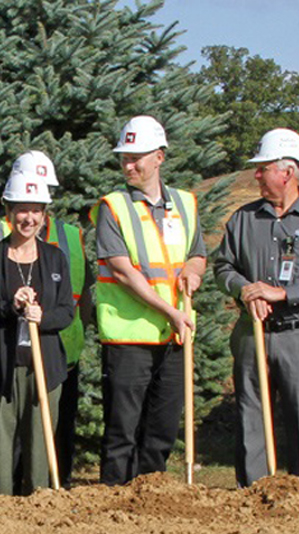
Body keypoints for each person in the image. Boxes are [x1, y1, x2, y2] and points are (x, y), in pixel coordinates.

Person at [213, 128, 299, 486]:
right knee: (251, 418)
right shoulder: (243, 219)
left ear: (286, 173)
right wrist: (245, 291)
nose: (256, 174)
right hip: (252, 333)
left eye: (263, 168)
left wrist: (283, 294)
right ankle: (253, 494)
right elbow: (223, 267)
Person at [93, 115, 206, 485]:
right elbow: (123, 272)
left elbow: (197, 252)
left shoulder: (186, 204)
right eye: (124, 158)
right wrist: (172, 311)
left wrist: (194, 269)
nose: (128, 165)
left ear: (159, 157)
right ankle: (113, 498)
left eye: (136, 157)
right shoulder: (113, 207)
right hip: (128, 336)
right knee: (122, 430)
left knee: (161, 428)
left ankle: (151, 496)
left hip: (172, 337)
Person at [0, 151, 92, 486]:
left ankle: (38, 523)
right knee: (1, 457)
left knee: (40, 457)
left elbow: (67, 310)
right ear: (9, 212)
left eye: (36, 210)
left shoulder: (54, 259)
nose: (29, 218)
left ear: (43, 214)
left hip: (44, 369)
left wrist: (43, 317)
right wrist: (9, 307)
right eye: (22, 209)